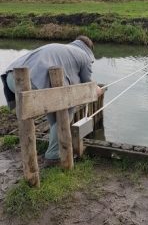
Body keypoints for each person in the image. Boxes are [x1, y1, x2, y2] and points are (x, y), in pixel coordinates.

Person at [3, 36, 95, 168]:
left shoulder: (63, 48)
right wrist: (96, 90)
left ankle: (52, 148)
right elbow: (86, 84)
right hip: (31, 82)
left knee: (54, 108)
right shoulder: (84, 56)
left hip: (12, 78)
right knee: (67, 108)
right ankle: (53, 157)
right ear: (89, 49)